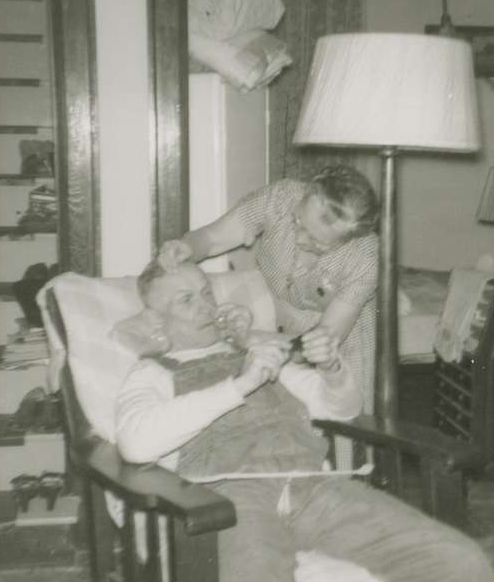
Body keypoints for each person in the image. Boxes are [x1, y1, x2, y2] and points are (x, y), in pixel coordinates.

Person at [115, 259, 494, 582]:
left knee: (459, 560)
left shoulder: (257, 350)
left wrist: (332, 369)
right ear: (156, 320)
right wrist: (240, 385)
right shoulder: (151, 375)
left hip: (316, 488)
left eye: (206, 292)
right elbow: (135, 443)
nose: (206, 305)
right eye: (187, 300)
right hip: (231, 503)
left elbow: (341, 409)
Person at [158, 165, 379, 415]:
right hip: (280, 327)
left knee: (346, 419)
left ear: (348, 240)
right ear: (305, 194)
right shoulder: (280, 197)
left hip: (339, 344)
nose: (300, 241)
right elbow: (214, 238)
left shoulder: (366, 258)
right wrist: (188, 247)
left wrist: (253, 341)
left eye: (318, 242)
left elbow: (323, 338)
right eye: (298, 222)